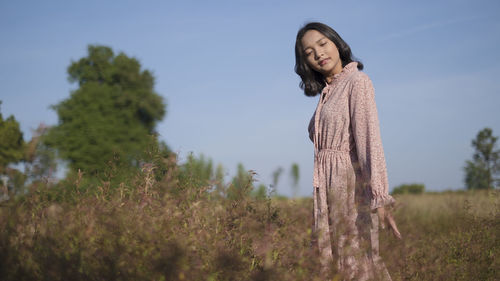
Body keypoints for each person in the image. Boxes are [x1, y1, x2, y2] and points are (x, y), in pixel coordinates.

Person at [294, 22, 402, 280]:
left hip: (350, 187)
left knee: (355, 261)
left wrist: (380, 195)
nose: (318, 54)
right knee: (331, 261)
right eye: (309, 52)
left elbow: (369, 141)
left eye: (322, 44)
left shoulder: (357, 82)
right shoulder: (328, 92)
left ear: (336, 43)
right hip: (326, 190)